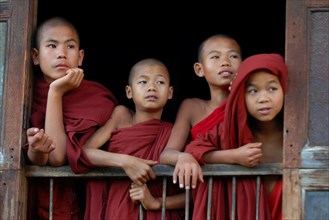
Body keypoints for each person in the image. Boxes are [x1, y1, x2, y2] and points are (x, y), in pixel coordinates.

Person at [23, 17, 118, 220]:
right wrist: (35, 150)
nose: (62, 53)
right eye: (52, 45)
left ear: (80, 57)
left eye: (70, 46)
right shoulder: (22, 96)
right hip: (34, 203)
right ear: (35, 56)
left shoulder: (97, 98)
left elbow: (59, 157)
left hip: (85, 202)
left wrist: (55, 92)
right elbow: (46, 156)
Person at [185, 53, 288, 220]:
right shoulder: (230, 130)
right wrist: (233, 156)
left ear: (284, 89)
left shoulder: (298, 136)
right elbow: (193, 148)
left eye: (272, 88)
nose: (263, 99)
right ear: (241, 95)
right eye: (253, 91)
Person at [83, 58, 185, 220]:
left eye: (160, 82)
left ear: (170, 92)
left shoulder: (174, 132)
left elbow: (197, 193)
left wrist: (157, 202)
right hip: (117, 211)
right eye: (143, 82)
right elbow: (86, 152)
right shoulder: (121, 116)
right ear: (129, 92)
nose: (152, 87)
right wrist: (126, 162)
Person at [160, 34, 242, 189]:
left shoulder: (248, 105)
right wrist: (184, 156)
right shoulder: (191, 107)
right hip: (205, 192)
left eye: (233, 56)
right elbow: (166, 154)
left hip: (244, 188)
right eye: (215, 57)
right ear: (199, 69)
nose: (225, 62)